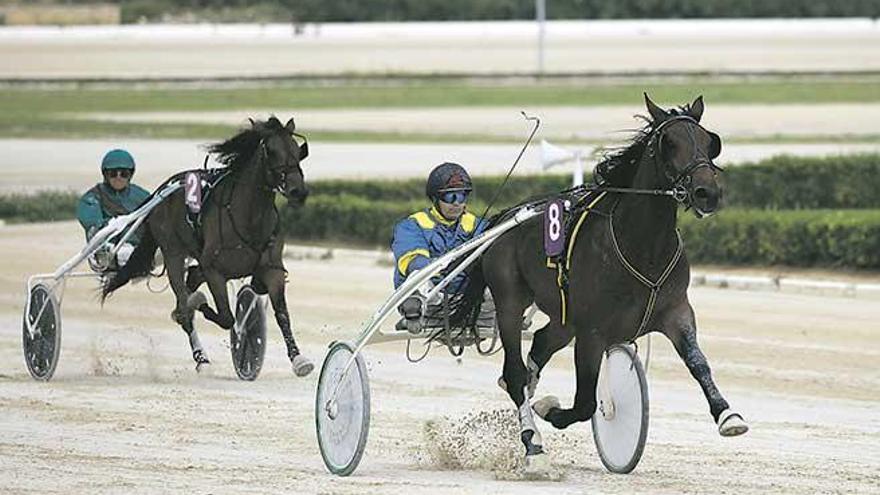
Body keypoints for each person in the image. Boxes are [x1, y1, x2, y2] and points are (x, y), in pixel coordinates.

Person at [391, 162, 488, 332]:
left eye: (462, 196)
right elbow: (414, 262)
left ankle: (511, 316)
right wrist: (452, 265)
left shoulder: (477, 225)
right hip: (432, 298)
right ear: (435, 198)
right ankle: (413, 313)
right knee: (418, 275)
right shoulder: (412, 225)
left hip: (467, 299)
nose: (457, 203)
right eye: (450, 197)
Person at [76, 149, 150, 270]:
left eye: (124, 174)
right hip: (108, 251)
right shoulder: (93, 197)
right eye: (113, 173)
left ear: (130, 175)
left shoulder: (141, 195)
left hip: (139, 249)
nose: (118, 177)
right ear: (106, 174)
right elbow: (94, 226)